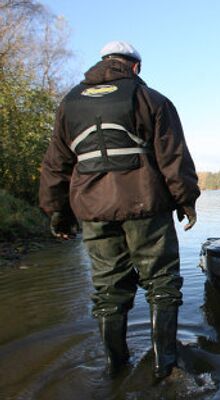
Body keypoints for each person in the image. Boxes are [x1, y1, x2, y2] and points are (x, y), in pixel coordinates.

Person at [38, 41, 200, 380]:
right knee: (162, 284)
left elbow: (56, 163)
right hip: (145, 206)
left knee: (108, 290)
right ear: (135, 67)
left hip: (93, 210)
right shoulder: (151, 99)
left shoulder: (69, 103)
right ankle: (165, 367)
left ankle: (115, 369)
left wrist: (58, 212)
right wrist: (185, 200)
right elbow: (173, 158)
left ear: (103, 63)